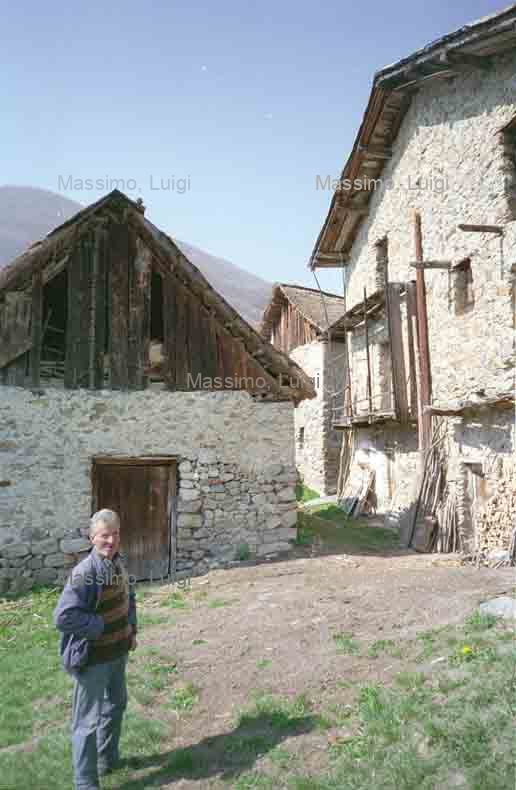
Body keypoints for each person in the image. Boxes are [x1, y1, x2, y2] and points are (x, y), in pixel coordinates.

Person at [54, 509, 137, 790]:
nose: (111, 540)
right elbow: (63, 617)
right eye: (104, 535)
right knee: (86, 723)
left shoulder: (119, 563)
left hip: (117, 653)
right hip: (93, 659)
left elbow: (129, 597)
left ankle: (107, 760)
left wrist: (131, 630)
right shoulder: (84, 573)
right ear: (92, 538)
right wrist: (100, 625)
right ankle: (85, 782)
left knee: (116, 705)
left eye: (115, 534)